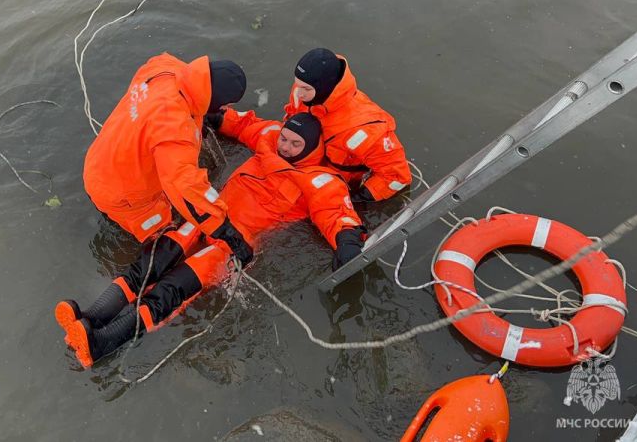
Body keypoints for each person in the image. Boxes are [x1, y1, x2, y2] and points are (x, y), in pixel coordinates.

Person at [59, 111, 366, 368]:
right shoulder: (271, 136)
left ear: (310, 148)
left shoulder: (320, 181)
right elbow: (245, 124)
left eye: (294, 144)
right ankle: (89, 317)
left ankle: (101, 344)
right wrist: (216, 115)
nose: (285, 146)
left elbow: (337, 213)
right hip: (209, 215)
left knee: (170, 289)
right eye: (285, 138)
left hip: (233, 244)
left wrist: (349, 241)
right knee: (149, 264)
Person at [78, 53, 255, 327]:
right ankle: (104, 320)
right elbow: (187, 188)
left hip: (100, 163)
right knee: (166, 244)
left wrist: (199, 116)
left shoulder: (168, 69)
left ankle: (92, 318)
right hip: (122, 194)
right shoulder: (176, 127)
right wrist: (226, 230)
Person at [284, 48, 411, 202]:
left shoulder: (365, 127)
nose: (299, 93)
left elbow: (397, 176)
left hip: (333, 183)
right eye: (297, 85)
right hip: (299, 163)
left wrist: (355, 199)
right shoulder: (302, 91)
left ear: (325, 88)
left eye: (306, 89)